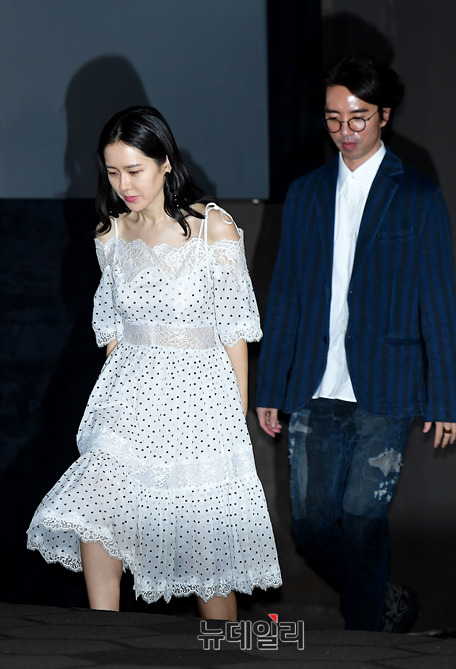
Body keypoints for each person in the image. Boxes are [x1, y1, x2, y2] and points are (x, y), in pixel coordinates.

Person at [27, 105, 282, 620]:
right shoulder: (111, 234)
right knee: (97, 508)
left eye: (134, 170)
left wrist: (236, 416)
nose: (124, 184)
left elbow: (235, 332)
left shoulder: (214, 229)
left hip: (200, 401)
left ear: (166, 163)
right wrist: (109, 407)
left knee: (206, 555)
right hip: (129, 394)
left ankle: (226, 649)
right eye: (112, 172)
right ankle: (102, 632)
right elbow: (112, 334)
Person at [255, 53, 456, 632]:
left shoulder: (416, 195)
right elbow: (287, 295)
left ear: (384, 115)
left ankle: (365, 642)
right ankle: (383, 599)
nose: (345, 131)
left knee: (364, 525)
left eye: (358, 118)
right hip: (313, 383)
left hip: (386, 386)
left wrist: (445, 398)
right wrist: (270, 386)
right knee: (312, 529)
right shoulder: (306, 193)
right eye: (333, 119)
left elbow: (437, 302)